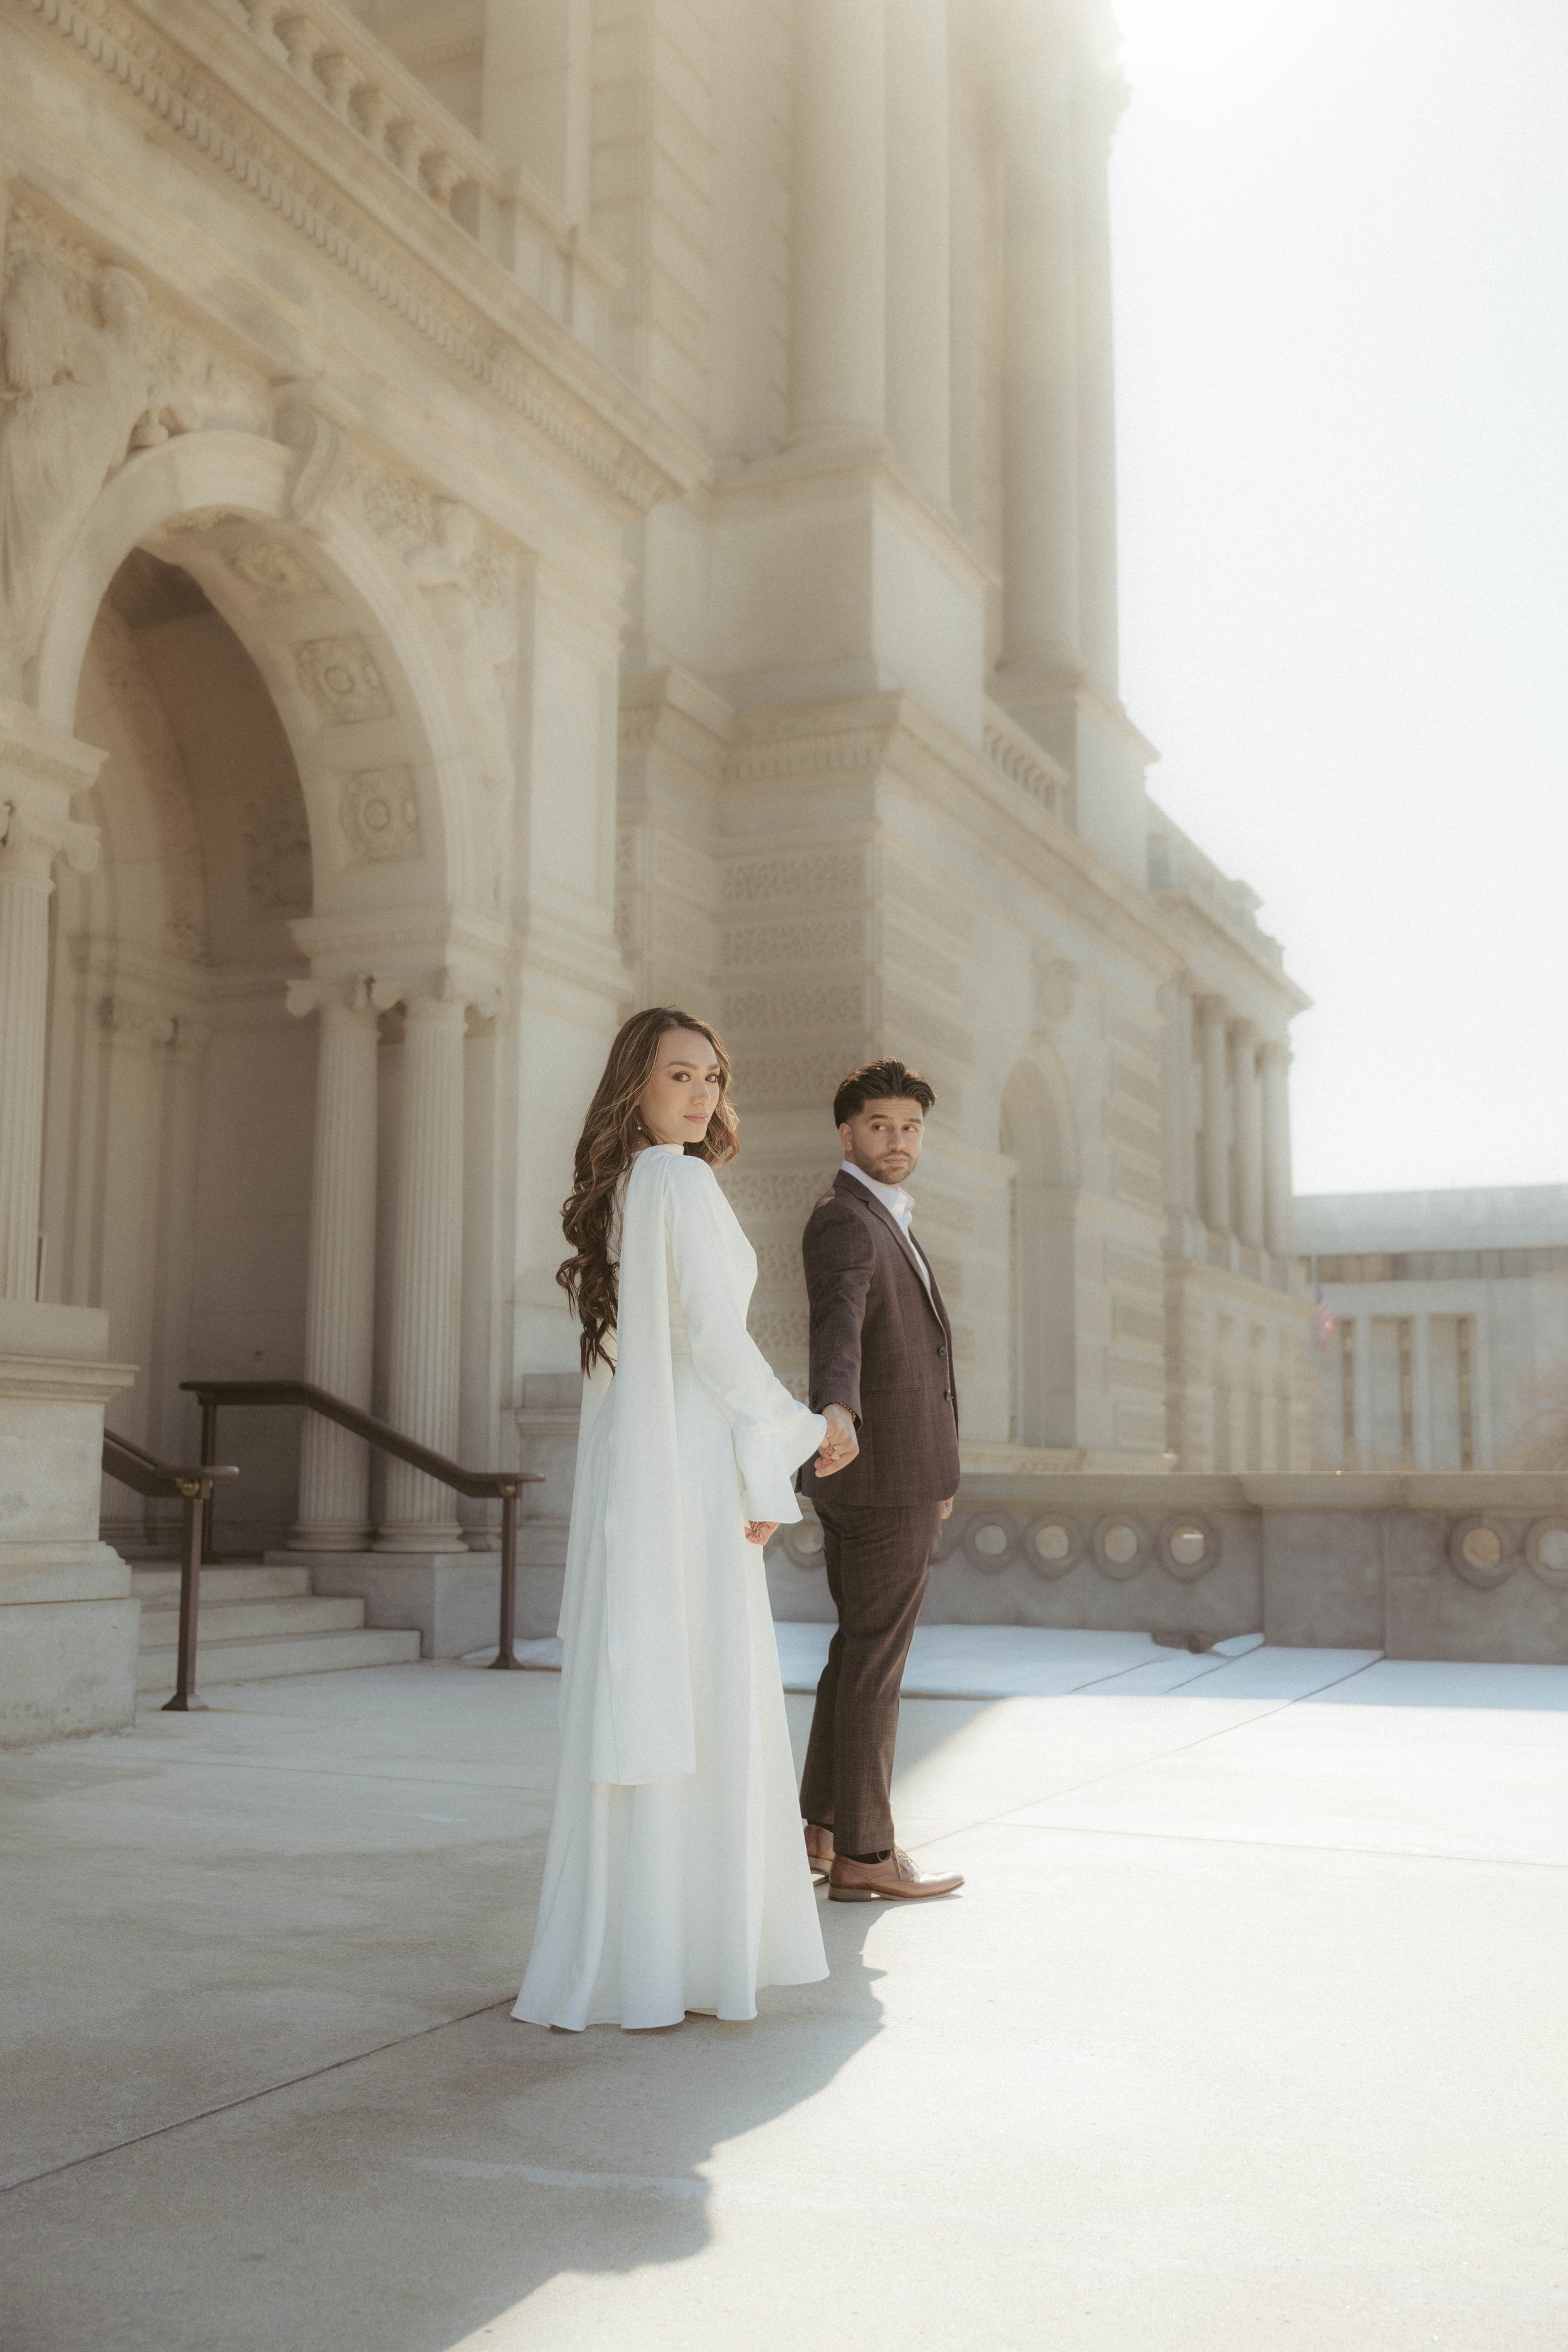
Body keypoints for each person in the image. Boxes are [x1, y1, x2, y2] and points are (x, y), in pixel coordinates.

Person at [514, 1007, 859, 2031]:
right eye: (679, 1075)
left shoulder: (628, 1187)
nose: (704, 1094)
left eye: (714, 1075)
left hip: (648, 1470)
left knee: (662, 1681)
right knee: (701, 1686)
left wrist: (767, 1456)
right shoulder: (679, 1180)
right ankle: (691, 1955)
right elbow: (714, 1338)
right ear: (637, 1085)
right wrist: (799, 1431)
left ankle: (638, 1955)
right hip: (691, 1468)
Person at [797, 1059, 965, 1903]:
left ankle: (826, 1829)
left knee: (856, 1651)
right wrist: (838, 1409)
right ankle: (867, 1850)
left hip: (900, 1474)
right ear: (847, 1133)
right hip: (878, 1476)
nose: (896, 1140)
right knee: (875, 1662)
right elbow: (840, 1325)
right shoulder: (848, 1222)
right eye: (879, 1126)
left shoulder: (882, 1214)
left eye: (910, 1127)